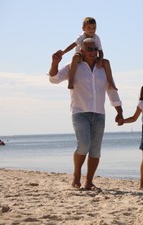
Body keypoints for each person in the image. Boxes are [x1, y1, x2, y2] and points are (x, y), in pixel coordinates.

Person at [49, 38, 124, 191]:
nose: (92, 52)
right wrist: (55, 63)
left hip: (99, 114)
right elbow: (54, 79)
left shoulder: (103, 68)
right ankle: (77, 175)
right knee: (83, 145)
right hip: (80, 112)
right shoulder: (74, 66)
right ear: (81, 51)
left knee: (95, 150)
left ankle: (89, 181)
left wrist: (119, 111)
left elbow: (111, 89)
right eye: (89, 49)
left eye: (94, 49)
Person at [59, 17, 117, 90]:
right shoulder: (81, 37)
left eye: (94, 28)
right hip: (81, 56)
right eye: (89, 28)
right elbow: (73, 45)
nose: (91, 30)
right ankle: (71, 80)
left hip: (93, 57)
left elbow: (101, 52)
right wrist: (63, 52)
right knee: (75, 58)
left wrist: (99, 60)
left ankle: (111, 83)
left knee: (106, 62)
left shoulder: (96, 38)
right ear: (83, 28)